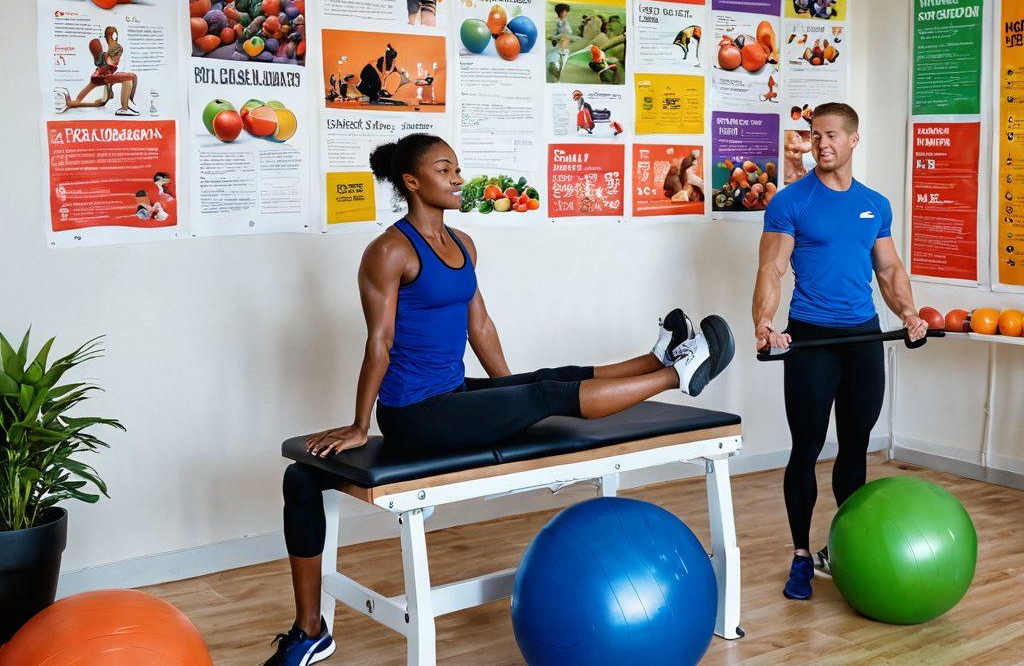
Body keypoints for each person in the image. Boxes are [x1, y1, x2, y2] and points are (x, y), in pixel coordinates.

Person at [261, 133, 735, 666]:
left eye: (457, 168)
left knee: (546, 381)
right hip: (415, 416)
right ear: (413, 182)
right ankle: (678, 374)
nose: (458, 177)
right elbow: (380, 343)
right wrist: (358, 424)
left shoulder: (462, 243)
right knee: (545, 392)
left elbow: (479, 324)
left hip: (451, 395)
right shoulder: (389, 251)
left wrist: (518, 395)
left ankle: (657, 356)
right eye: (445, 170)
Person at [750, 102, 926, 602]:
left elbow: (889, 271)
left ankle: (846, 549)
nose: (821, 144)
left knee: (855, 445)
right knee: (806, 448)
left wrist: (909, 314)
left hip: (864, 338)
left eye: (831, 135)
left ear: (853, 140)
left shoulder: (875, 204)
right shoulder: (791, 202)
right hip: (812, 339)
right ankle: (802, 556)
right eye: (814, 135)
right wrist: (765, 322)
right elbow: (772, 268)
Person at [58, 26, 139, 115]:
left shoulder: (109, 55)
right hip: (104, 78)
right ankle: (124, 109)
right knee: (128, 79)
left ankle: (71, 103)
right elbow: (109, 50)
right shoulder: (108, 55)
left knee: (98, 102)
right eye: (118, 56)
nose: (119, 59)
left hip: (99, 78)